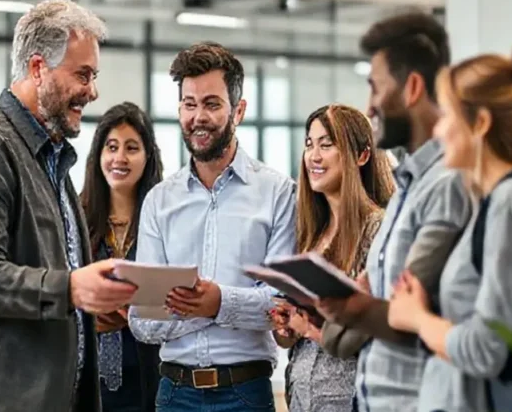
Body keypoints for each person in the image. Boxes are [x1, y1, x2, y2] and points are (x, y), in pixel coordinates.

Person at [0, 0, 138, 412]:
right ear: (38, 67)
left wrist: (90, 309)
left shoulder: (52, 160)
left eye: (94, 75)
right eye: (83, 75)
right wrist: (74, 288)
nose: (93, 91)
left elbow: (45, 285)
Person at [315, 12, 473, 412]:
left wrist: (358, 308)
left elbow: (410, 320)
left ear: (413, 87)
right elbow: (344, 335)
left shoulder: (448, 185)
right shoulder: (405, 189)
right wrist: (360, 309)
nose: (369, 106)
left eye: (376, 88)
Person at [387, 41, 512, 412]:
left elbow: (487, 348)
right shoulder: (491, 203)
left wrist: (418, 319)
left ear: (480, 123)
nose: (438, 130)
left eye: (447, 115)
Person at [128, 41, 297, 412]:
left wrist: (216, 301)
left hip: (245, 394)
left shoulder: (278, 193)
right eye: (189, 104)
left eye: (211, 104)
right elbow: (141, 319)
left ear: (238, 110)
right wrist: (221, 307)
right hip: (174, 394)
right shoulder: (159, 201)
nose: (198, 117)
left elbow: (281, 304)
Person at [270, 104, 395, 412]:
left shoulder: (378, 229)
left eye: (326, 145)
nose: (314, 156)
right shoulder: (311, 235)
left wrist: (311, 329)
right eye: (309, 144)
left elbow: (378, 331)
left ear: (362, 155)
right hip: (302, 400)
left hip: (353, 400)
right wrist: (286, 327)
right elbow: (293, 340)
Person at [79, 102, 164, 412]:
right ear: (98, 155)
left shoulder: (163, 222)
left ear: (148, 156)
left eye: (132, 148)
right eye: (111, 147)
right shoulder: (77, 218)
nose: (119, 158)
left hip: (150, 383)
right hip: (87, 387)